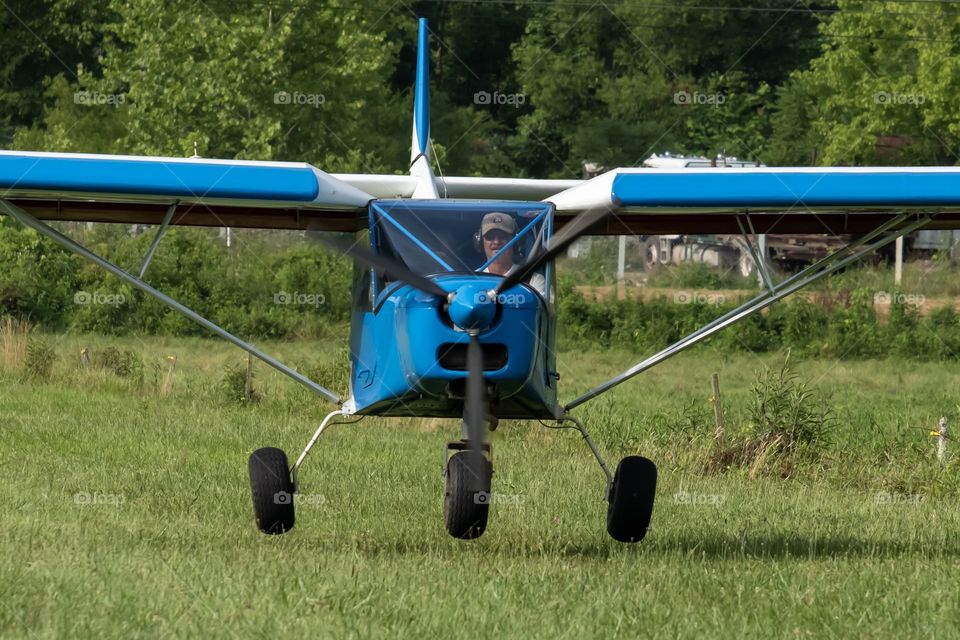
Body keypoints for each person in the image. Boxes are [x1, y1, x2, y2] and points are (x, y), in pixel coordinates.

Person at [477, 212, 547, 296]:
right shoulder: (471, 279)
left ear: (515, 241)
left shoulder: (533, 280)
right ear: (481, 242)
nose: (496, 242)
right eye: (490, 237)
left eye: (503, 236)